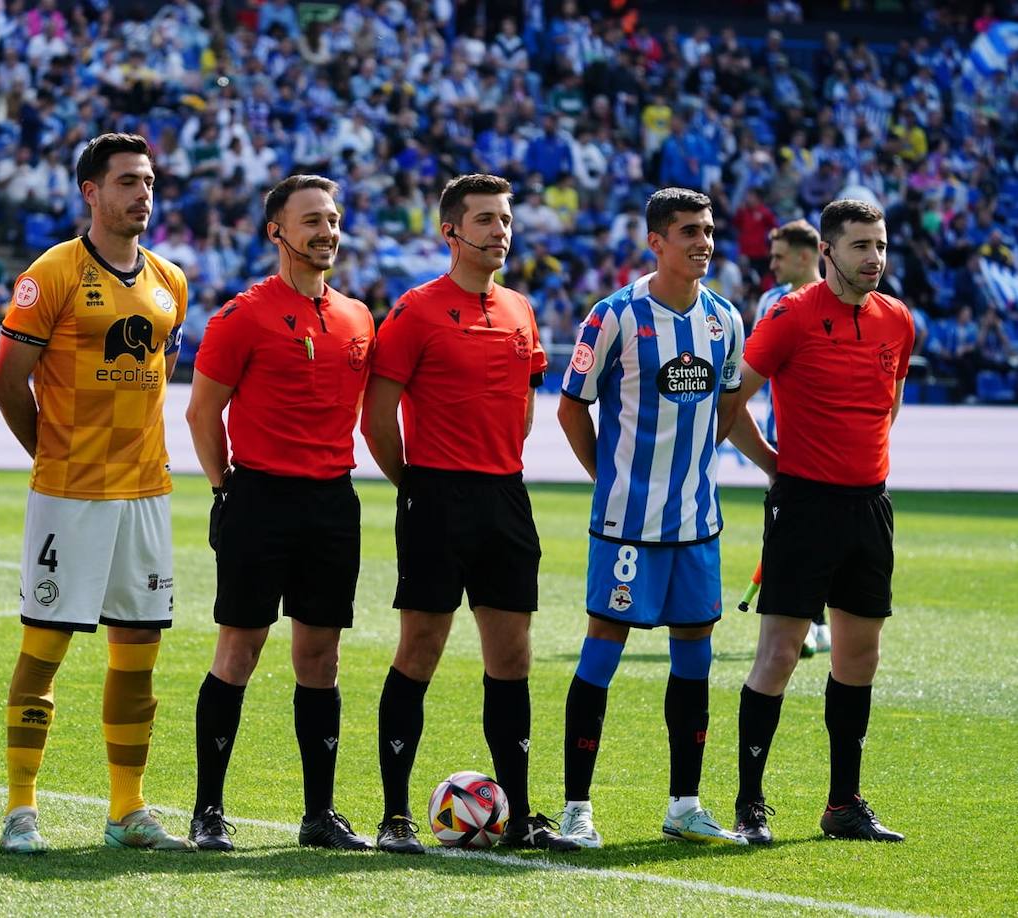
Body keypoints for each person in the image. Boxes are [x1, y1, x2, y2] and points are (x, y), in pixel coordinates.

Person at [362, 173, 576, 854]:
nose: (499, 231)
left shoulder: (519, 307)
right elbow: (377, 416)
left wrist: (497, 468)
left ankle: (518, 817)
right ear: (450, 231)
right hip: (436, 495)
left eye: (505, 219)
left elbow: (524, 401)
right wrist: (415, 483)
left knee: (512, 656)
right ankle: (395, 816)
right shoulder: (416, 309)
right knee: (420, 647)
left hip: (505, 495)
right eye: (484, 220)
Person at [0, 133, 193, 853]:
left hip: (145, 492)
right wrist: (50, 452)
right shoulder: (53, 274)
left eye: (147, 180)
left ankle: (127, 810)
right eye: (127, 182)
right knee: (45, 645)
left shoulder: (171, 279)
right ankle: (20, 811)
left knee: (138, 646)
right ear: (92, 193)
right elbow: (6, 381)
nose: (142, 193)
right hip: (70, 494)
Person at [556, 187, 772, 849]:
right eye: (689, 232)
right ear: (656, 241)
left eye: (708, 232)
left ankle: (684, 805)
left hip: (696, 526)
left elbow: (730, 405)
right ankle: (576, 812)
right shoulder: (613, 316)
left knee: (694, 660)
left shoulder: (725, 320)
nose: (704, 242)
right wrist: (614, 481)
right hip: (625, 526)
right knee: (601, 654)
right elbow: (571, 408)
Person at [185, 174, 376, 851]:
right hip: (257, 497)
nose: (326, 231)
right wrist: (223, 487)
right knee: (239, 649)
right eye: (311, 220)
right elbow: (202, 412)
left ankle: (318, 815)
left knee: (320, 659)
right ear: (277, 231)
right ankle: (207, 812)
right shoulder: (242, 316)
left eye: (332, 219)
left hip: (332, 500)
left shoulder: (358, 318)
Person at [728, 199, 913, 845]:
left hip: (870, 506)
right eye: (862, 246)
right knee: (779, 653)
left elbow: (889, 405)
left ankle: (843, 806)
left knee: (859, 659)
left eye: (881, 245)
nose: (875, 259)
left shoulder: (897, 320)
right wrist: (775, 465)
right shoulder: (791, 315)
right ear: (828, 252)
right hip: (804, 505)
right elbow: (732, 399)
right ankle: (749, 806)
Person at [751, 220, 831, 657]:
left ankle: (818, 620)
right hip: (781, 437)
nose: (772, 262)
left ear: (806, 256)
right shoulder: (770, 300)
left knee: (825, 533)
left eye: (780, 255)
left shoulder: (832, 299)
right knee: (783, 528)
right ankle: (802, 621)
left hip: (822, 440)